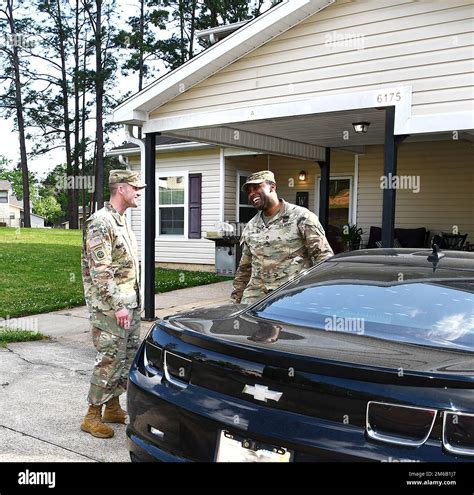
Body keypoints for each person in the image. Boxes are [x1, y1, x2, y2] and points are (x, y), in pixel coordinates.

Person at [80, 170, 145, 438]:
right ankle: (92, 415)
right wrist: (118, 304)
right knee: (108, 359)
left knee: (126, 357)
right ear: (121, 189)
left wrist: (131, 304)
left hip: (128, 304)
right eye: (135, 187)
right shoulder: (100, 222)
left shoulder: (121, 221)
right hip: (110, 308)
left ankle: (113, 407)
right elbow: (101, 271)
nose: (140, 191)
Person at [231, 170, 334, 305]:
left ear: (272, 186)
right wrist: (235, 302)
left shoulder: (302, 217)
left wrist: (319, 294)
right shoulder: (251, 226)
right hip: (255, 298)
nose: (251, 194)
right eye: (249, 191)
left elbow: (324, 258)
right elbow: (245, 268)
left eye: (256, 187)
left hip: (292, 295)